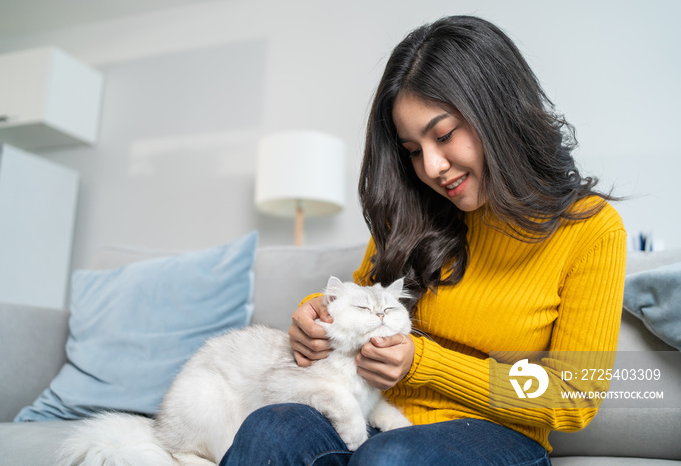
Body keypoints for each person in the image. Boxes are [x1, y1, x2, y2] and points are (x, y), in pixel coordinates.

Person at [221, 15, 626, 465]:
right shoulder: (411, 212)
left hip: (498, 437)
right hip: (375, 408)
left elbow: (574, 398)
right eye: (413, 150)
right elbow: (365, 296)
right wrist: (319, 313)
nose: (431, 167)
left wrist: (426, 364)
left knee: (391, 458)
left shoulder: (591, 230)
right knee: (271, 428)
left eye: (445, 134)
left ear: (499, 111)